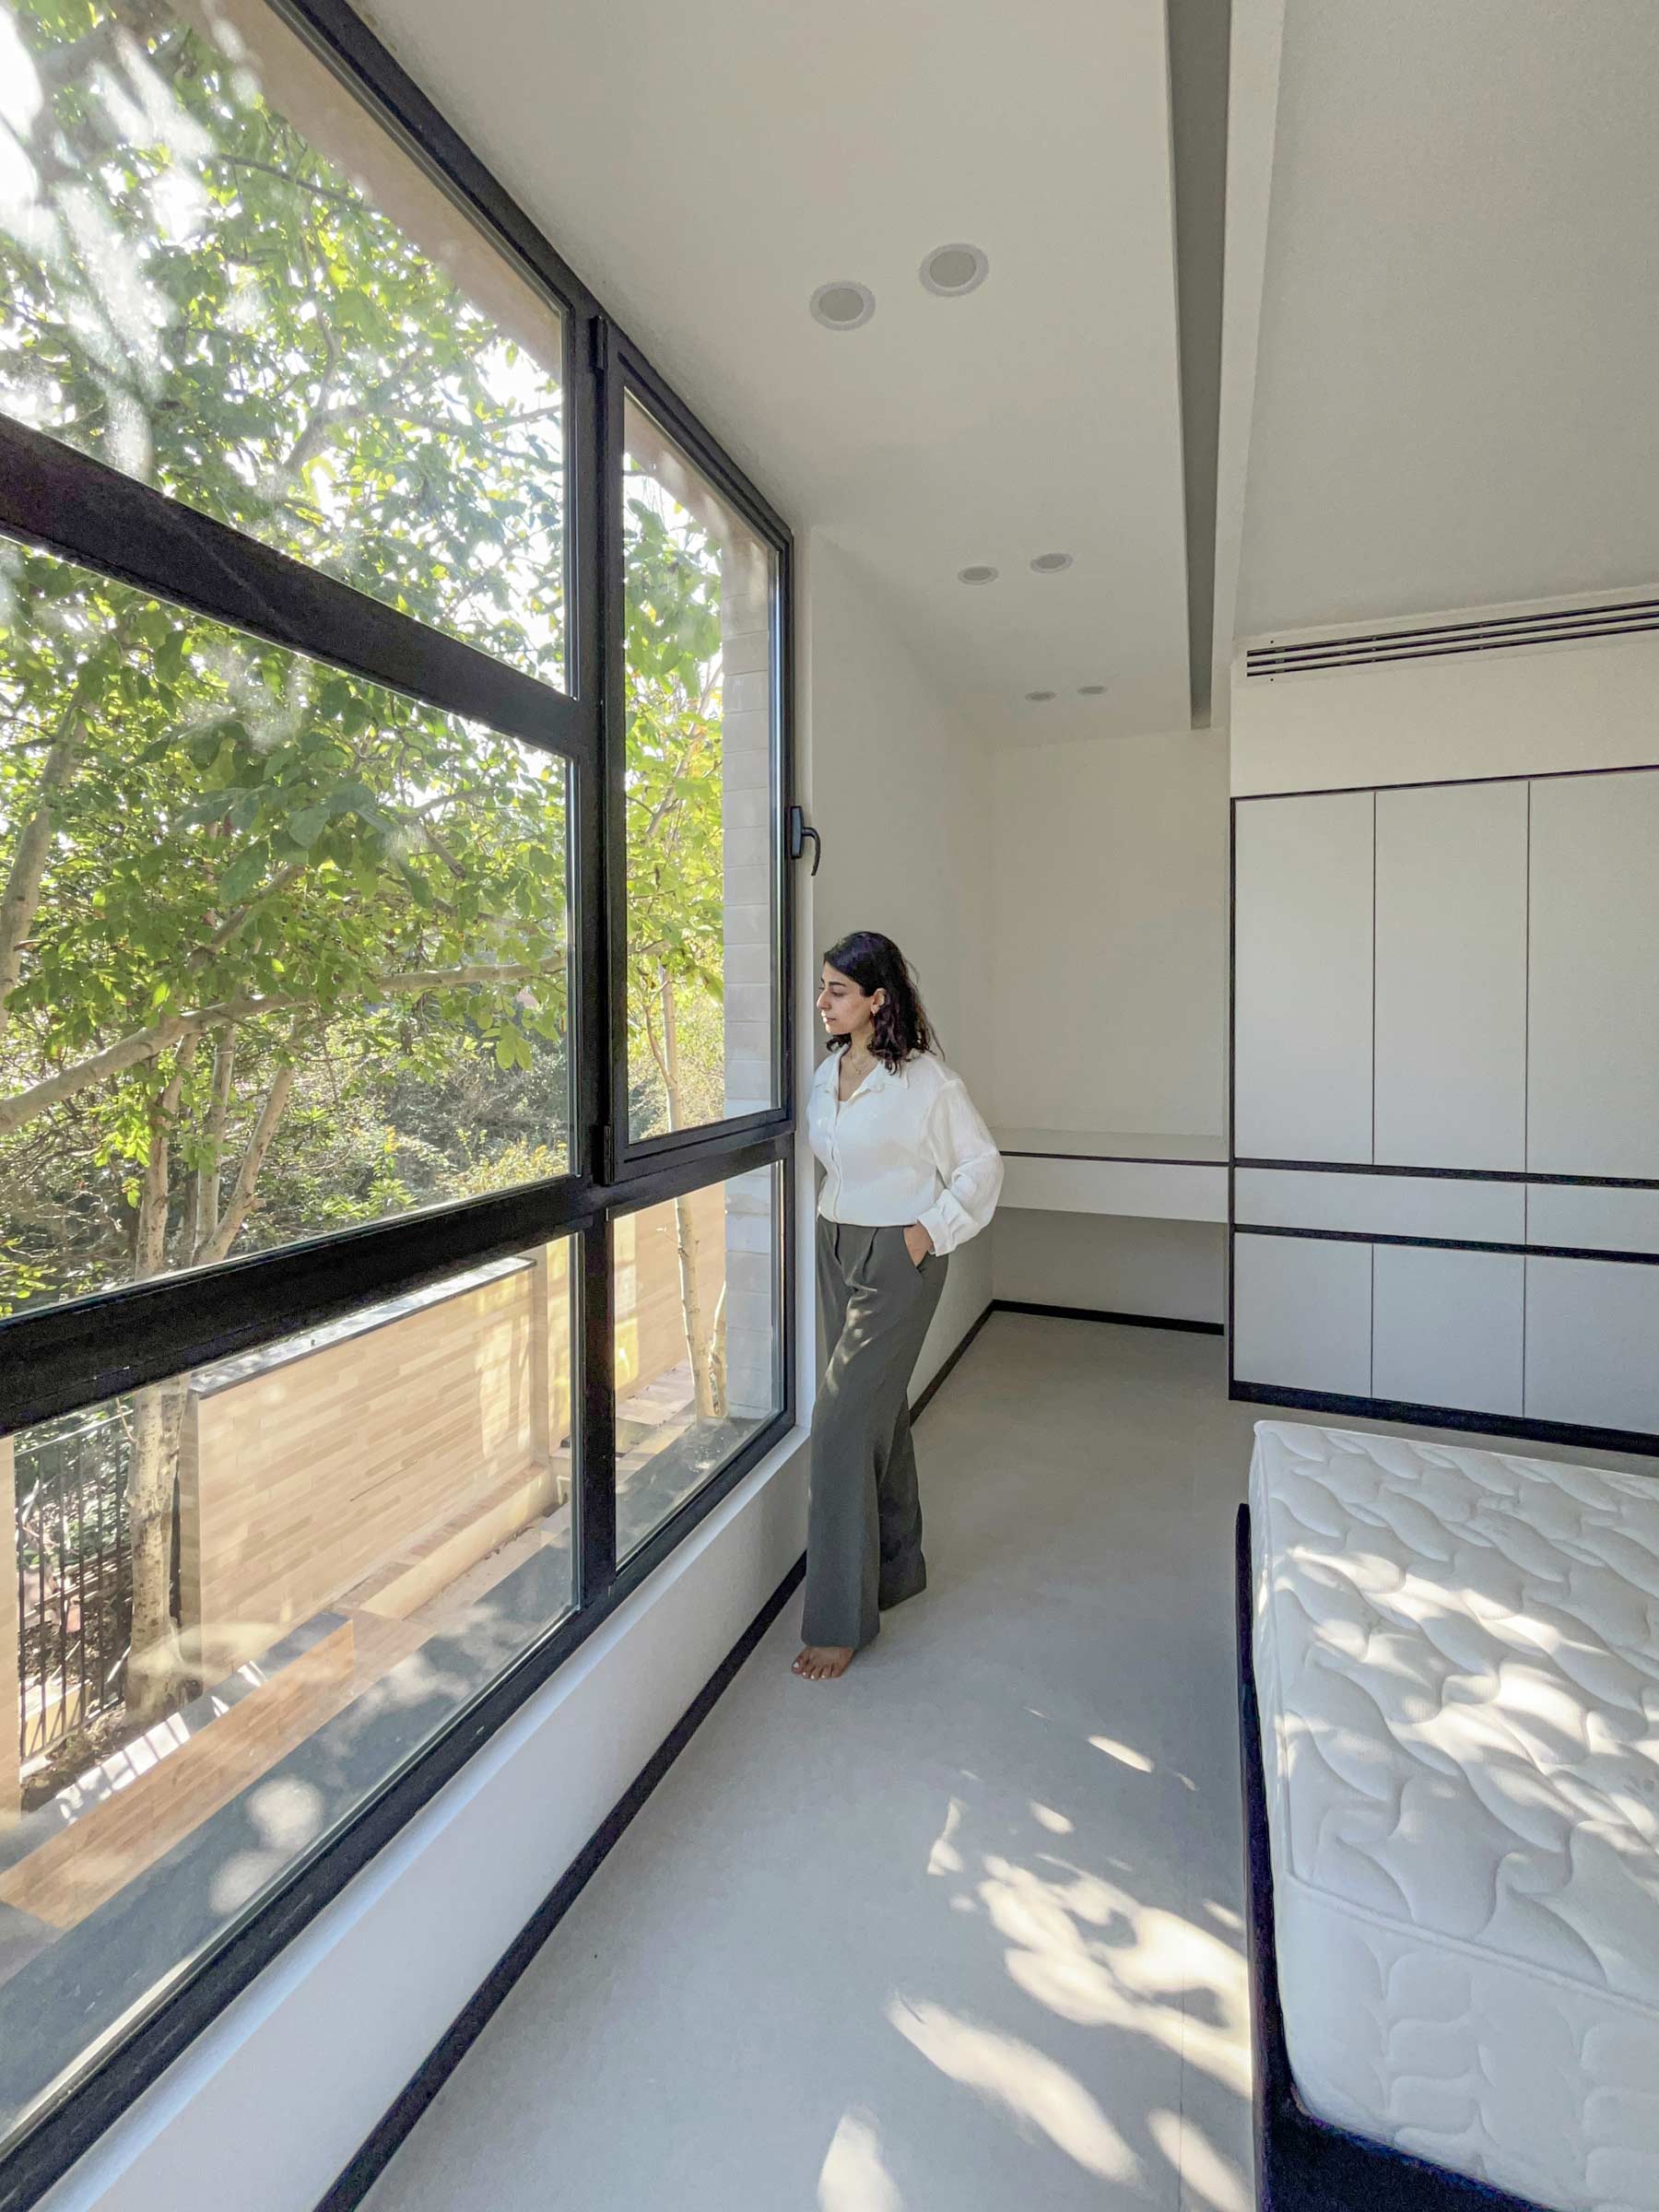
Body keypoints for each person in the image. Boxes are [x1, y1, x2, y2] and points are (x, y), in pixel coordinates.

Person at [794, 931, 1003, 1681]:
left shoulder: (926, 1082)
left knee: (841, 1424)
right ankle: (898, 1567)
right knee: (874, 1412)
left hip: (898, 1256)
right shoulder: (828, 1075)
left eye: (838, 991)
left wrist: (927, 1233)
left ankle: (840, 1621)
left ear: (878, 1000)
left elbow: (982, 1167)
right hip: (835, 1245)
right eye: (822, 988)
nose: (823, 1002)